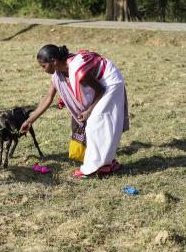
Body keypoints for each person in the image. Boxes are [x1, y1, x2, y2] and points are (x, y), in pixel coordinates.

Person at [20, 45, 129, 178]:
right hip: (101, 85)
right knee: (97, 124)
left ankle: (93, 169)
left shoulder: (76, 70)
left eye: (43, 66)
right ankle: (107, 164)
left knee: (96, 124)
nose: (43, 70)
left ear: (54, 61)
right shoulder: (57, 74)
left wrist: (89, 111)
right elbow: (48, 98)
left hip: (110, 82)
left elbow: (100, 90)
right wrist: (29, 121)